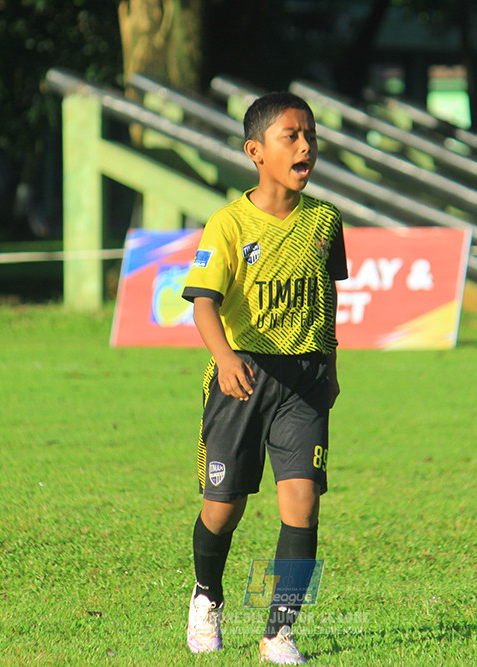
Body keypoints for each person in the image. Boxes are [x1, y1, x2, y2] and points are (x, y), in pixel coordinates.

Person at [180, 91, 347, 664]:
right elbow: (203, 303)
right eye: (291, 136)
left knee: (302, 505)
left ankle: (279, 632)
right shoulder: (228, 223)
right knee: (222, 508)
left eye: (311, 136)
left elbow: (326, 299)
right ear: (255, 150)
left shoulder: (326, 220)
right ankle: (206, 596)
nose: (306, 146)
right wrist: (225, 358)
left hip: (304, 383)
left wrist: (331, 365)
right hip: (241, 379)